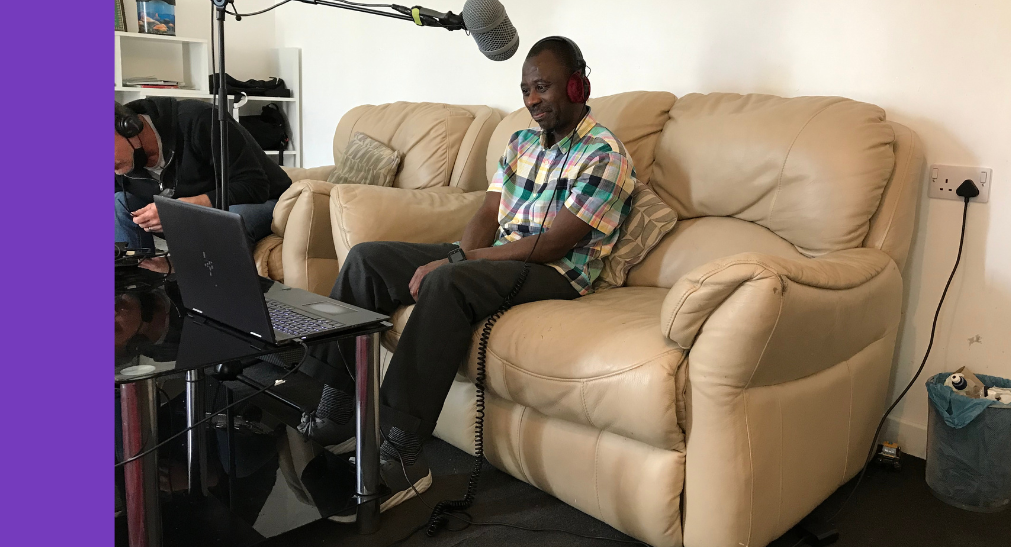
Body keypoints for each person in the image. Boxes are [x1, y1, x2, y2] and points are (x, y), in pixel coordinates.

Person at [300, 36, 637, 513]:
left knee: (447, 282)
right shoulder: (520, 141)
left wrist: (458, 264)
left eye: (543, 87)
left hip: (557, 272)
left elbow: (556, 244)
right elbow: (488, 210)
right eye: (525, 89)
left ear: (578, 85)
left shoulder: (606, 154)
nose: (532, 100)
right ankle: (335, 405)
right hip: (501, 254)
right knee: (366, 260)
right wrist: (460, 251)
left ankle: (401, 451)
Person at [114, 97, 292, 250]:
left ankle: (195, 277)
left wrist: (180, 209)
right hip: (192, 215)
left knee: (223, 222)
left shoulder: (200, 119)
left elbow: (254, 186)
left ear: (128, 127)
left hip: (262, 200)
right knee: (118, 203)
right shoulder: (119, 159)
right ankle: (137, 282)